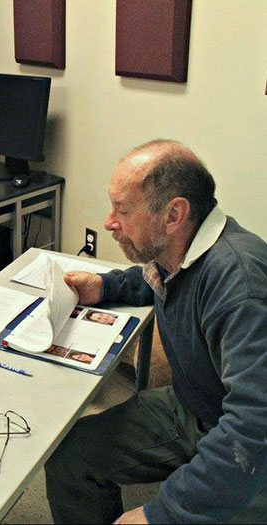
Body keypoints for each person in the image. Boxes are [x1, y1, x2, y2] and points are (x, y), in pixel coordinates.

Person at [44, 139, 267, 523]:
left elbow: (254, 425)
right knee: (70, 457)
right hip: (195, 406)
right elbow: (159, 279)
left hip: (251, 450)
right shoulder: (181, 251)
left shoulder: (240, 285)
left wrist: (160, 514)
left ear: (174, 214)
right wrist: (105, 286)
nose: (109, 222)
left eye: (123, 209)